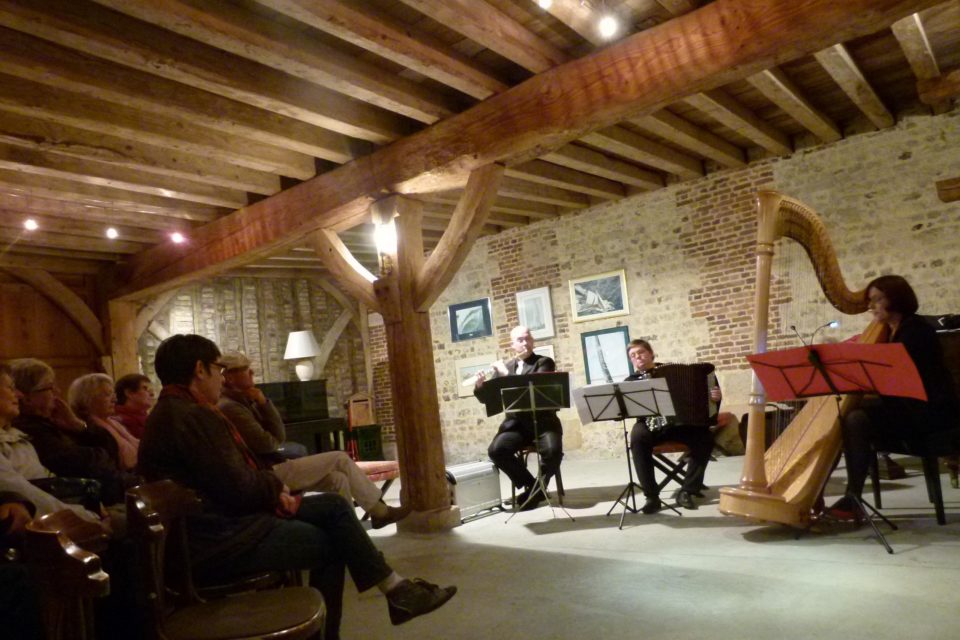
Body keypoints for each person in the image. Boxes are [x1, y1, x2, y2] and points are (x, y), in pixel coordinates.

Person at [138, 334, 455, 640]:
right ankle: (358, 616)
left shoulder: (171, 413)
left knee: (333, 504)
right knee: (332, 541)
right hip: (219, 540)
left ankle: (397, 591)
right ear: (199, 369)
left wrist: (272, 488)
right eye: (218, 370)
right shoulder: (195, 416)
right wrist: (276, 489)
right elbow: (240, 486)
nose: (221, 379)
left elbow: (239, 473)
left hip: (208, 531)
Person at [216, 350, 409, 529]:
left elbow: (278, 437)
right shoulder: (231, 407)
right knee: (339, 458)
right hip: (266, 474)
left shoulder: (244, 401)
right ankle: (380, 512)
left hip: (272, 467)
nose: (252, 372)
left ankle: (352, 535)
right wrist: (263, 406)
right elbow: (269, 444)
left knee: (338, 479)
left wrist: (263, 403)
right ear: (229, 377)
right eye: (245, 369)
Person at [826, 275, 960, 519]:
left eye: (877, 299)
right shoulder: (889, 331)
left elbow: (901, 382)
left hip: (928, 414)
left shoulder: (916, 331)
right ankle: (842, 497)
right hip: (907, 409)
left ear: (896, 299)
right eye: (870, 301)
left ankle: (853, 498)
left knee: (855, 420)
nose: (871, 306)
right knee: (849, 417)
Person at [10, 359, 138, 506]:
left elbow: (109, 448)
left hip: (107, 491)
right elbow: (85, 463)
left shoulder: (55, 421)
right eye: (50, 387)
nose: (57, 392)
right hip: (91, 500)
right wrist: (100, 455)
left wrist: (78, 426)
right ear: (26, 397)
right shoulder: (30, 429)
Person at [624, 339, 721, 513]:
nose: (637, 357)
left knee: (705, 438)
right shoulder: (631, 382)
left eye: (641, 352)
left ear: (651, 354)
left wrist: (715, 398)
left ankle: (688, 490)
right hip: (651, 425)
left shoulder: (669, 371)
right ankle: (651, 496)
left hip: (681, 424)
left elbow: (708, 399)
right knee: (638, 438)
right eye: (633, 355)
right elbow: (629, 410)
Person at [475, 325, 562, 511]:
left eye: (528, 338)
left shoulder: (544, 362)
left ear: (533, 341)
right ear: (512, 345)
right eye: (520, 340)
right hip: (516, 425)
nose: (525, 343)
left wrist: (506, 375)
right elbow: (491, 399)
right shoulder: (505, 367)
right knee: (496, 450)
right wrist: (480, 387)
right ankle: (534, 487)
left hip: (544, 422)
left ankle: (536, 491)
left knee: (553, 451)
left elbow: (531, 388)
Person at [69, 373, 140, 472]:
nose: (114, 399)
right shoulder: (89, 431)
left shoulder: (113, 422)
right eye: (107, 394)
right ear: (87, 399)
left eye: (113, 394)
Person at [113, 374, 154, 439]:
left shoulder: (149, 419)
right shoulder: (117, 422)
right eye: (145, 388)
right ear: (129, 393)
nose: (152, 394)